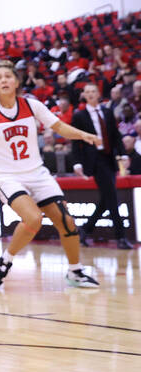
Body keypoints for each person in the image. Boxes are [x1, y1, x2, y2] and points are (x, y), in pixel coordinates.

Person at [0, 61, 101, 289]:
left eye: (8, 76)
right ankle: (6, 260)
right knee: (34, 218)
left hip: (38, 173)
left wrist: (83, 135)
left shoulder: (31, 105)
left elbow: (58, 127)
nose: (4, 80)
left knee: (66, 222)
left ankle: (75, 271)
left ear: (16, 82)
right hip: (7, 176)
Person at [73, 83, 133, 249]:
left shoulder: (107, 112)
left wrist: (123, 154)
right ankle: (121, 237)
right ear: (84, 95)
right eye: (87, 92)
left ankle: (84, 230)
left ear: (98, 93)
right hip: (95, 160)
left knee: (107, 199)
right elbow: (75, 141)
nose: (91, 94)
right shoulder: (79, 116)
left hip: (109, 158)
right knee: (112, 197)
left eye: (93, 91)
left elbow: (115, 136)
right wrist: (77, 163)